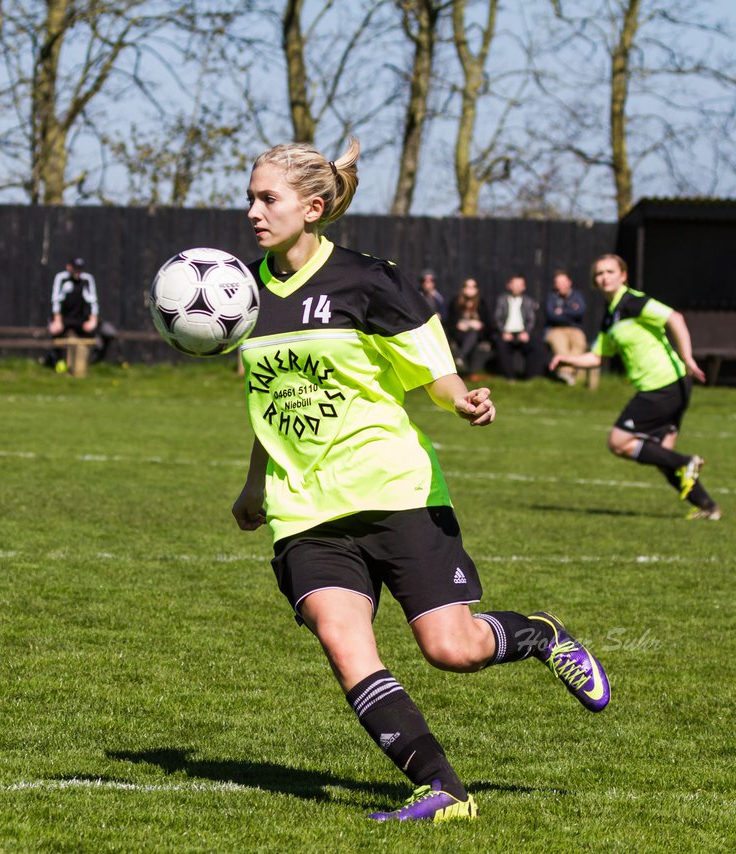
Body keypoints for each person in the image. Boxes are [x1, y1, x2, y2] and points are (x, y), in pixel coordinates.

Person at [233, 138, 610, 823]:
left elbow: (432, 369)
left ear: (314, 208)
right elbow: (267, 399)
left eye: (268, 198)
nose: (253, 211)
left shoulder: (368, 280)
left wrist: (463, 398)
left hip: (393, 490)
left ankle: (540, 636)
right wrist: (254, 483)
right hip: (304, 509)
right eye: (250, 197)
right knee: (344, 642)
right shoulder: (241, 293)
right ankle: (443, 789)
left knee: (451, 649)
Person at [549, 254, 721, 520]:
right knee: (661, 454)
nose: (604, 277)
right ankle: (707, 506)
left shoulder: (633, 302)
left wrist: (687, 357)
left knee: (618, 442)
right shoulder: (611, 315)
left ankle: (686, 462)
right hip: (668, 386)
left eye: (610, 271)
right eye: (599, 273)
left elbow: (674, 317)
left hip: (663, 384)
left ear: (623, 275)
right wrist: (566, 358)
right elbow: (597, 357)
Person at [48, 256, 115, 366]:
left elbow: (93, 301)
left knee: (99, 333)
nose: (77, 272)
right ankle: (57, 361)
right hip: (64, 319)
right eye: (75, 268)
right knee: (55, 332)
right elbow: (56, 300)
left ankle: (90, 363)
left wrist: (92, 321)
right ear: (69, 267)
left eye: (79, 269)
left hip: (80, 319)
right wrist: (57, 320)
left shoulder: (87, 279)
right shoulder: (61, 278)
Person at [492, 274, 542, 380]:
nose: (517, 287)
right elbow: (497, 318)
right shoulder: (502, 300)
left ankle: (531, 378)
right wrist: (503, 332)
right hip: (506, 333)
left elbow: (531, 319)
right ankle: (509, 377)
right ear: (509, 286)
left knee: (536, 346)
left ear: (524, 287)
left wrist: (527, 332)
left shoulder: (528, 301)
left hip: (523, 332)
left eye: (520, 285)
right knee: (501, 346)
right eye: (515, 284)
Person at [544, 269, 588, 385]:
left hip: (575, 328)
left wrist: (562, 311)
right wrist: (570, 313)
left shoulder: (577, 296)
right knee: (561, 346)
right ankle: (568, 374)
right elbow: (551, 316)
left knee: (579, 344)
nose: (561, 285)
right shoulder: (551, 297)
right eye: (558, 282)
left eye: (563, 282)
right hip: (556, 329)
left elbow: (580, 312)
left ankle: (566, 372)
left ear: (569, 282)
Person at [446, 277, 489, 377]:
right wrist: (458, 325)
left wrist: (480, 325)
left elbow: (488, 323)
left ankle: (461, 357)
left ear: (477, 289)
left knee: (473, 335)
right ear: (463, 289)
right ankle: (470, 372)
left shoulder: (482, 304)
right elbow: (450, 322)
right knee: (470, 338)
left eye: (473, 287)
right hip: (459, 334)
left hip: (477, 334)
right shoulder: (455, 302)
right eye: (467, 286)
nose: (470, 289)